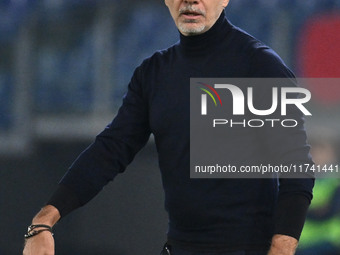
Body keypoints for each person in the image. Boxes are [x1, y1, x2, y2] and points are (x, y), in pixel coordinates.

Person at [23, 0, 314, 254]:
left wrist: (281, 249)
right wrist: (44, 220)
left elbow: (297, 168)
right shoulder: (154, 74)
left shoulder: (260, 67)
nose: (190, 1)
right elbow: (110, 150)